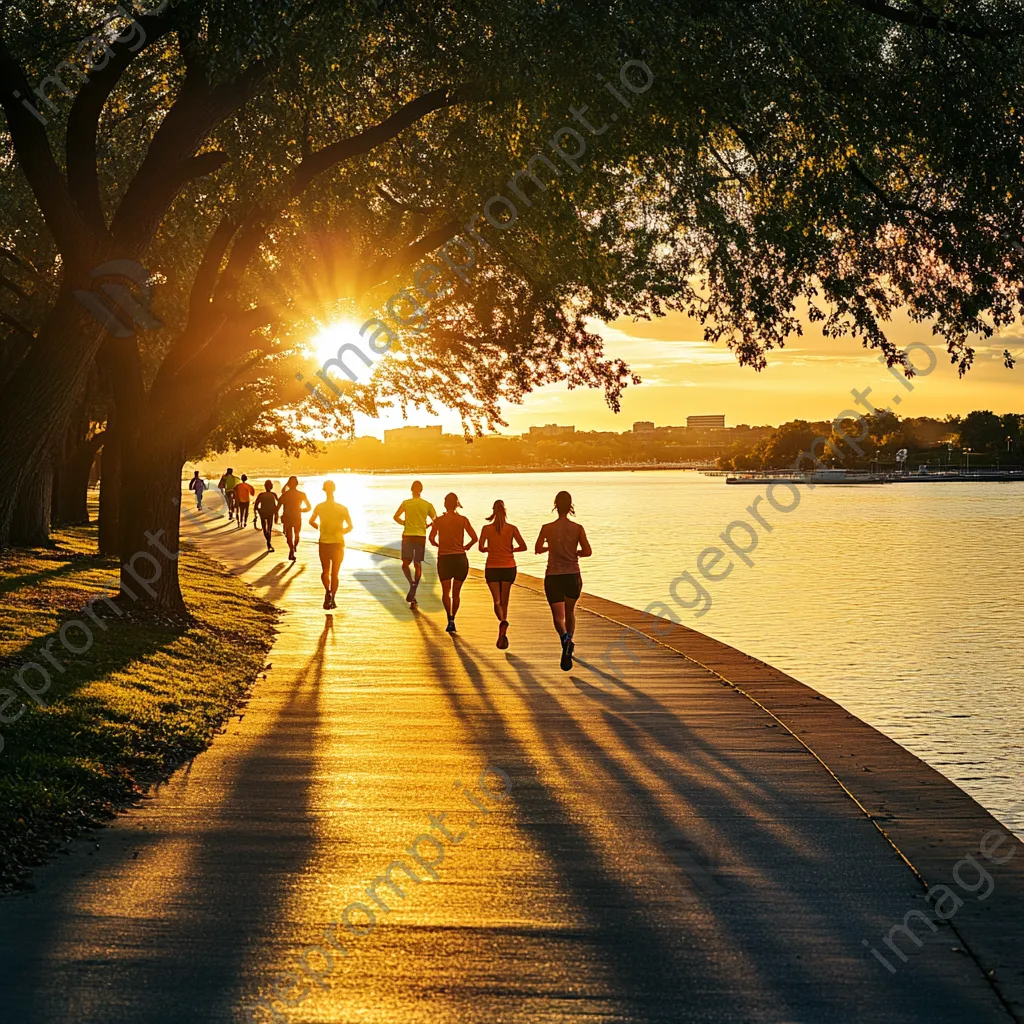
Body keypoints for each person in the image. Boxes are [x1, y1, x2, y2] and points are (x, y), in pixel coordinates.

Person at [535, 490, 592, 671]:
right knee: (570, 612)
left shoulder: (547, 528)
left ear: (555, 505)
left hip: (553, 576)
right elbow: (588, 551)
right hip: (572, 575)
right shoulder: (577, 529)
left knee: (558, 617)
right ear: (570, 507)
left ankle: (564, 639)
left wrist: (550, 546)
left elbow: (537, 548)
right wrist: (576, 553)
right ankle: (570, 640)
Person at [477, 499, 526, 649]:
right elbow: (523, 546)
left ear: (493, 511)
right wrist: (511, 550)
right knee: (505, 599)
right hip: (508, 567)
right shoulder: (512, 529)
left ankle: (502, 620)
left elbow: (481, 548)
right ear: (505, 512)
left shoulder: (486, 529)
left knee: (497, 601)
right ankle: (503, 623)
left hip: (492, 567)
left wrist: (489, 549)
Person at [428, 492, 477, 634]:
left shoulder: (438, 521)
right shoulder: (463, 520)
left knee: (445, 592)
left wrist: (439, 545)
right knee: (456, 593)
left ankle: (448, 618)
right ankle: (453, 618)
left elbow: (431, 538)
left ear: (445, 504)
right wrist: (466, 547)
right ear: (457, 504)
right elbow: (474, 538)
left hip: (444, 558)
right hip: (460, 558)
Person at [393, 480, 437, 605]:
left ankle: (411, 583)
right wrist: (428, 525)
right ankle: (414, 587)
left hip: (407, 535)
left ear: (411, 490)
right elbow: (436, 520)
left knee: (405, 564)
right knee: (417, 563)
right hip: (420, 536)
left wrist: (404, 523)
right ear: (421, 490)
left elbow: (395, 516)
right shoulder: (427, 505)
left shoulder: (406, 503)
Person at [309, 480, 352, 610]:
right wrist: (341, 531)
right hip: (338, 543)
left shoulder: (319, 507)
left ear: (324, 490)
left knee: (325, 571)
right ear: (334, 489)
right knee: (335, 573)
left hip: (324, 543)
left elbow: (311, 521)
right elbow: (350, 526)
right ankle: (333, 598)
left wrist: (319, 527)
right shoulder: (343, 508)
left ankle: (327, 591)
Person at [278, 476, 311, 561]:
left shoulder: (285, 495)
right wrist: (301, 510)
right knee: (297, 535)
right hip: (297, 517)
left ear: (289, 484)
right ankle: (294, 547)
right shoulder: (302, 494)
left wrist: (276, 516)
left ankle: (291, 549)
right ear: (297, 484)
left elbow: (277, 507)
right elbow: (309, 507)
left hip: (287, 517)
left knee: (289, 535)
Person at [254, 480, 279, 552]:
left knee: (265, 528)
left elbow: (256, 505)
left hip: (263, 513)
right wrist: (276, 513)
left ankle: (268, 542)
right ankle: (268, 543)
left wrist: (257, 511)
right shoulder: (273, 494)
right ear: (271, 486)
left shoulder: (261, 495)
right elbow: (278, 504)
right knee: (269, 529)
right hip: (270, 513)